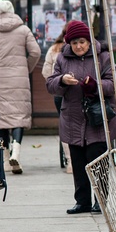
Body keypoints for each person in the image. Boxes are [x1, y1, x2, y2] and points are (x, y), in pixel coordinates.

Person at [46, 21, 116, 215]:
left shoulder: (103, 57)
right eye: (75, 43)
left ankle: (101, 201)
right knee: (79, 164)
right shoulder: (62, 58)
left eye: (82, 42)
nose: (78, 46)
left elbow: (115, 83)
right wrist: (62, 80)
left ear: (88, 41)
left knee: (98, 163)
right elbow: (51, 84)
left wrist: (95, 85)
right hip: (73, 117)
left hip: (97, 118)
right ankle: (83, 201)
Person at [0, 0, 41, 175]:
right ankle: (17, 151)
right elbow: (35, 52)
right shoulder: (23, 30)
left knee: (3, 120)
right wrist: (26, 67)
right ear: (13, 11)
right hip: (19, 78)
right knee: (19, 118)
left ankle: (6, 159)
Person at [43, 28, 73, 174]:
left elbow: (45, 72)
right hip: (78, 93)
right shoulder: (84, 48)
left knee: (65, 123)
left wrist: (55, 84)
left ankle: (70, 161)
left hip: (59, 94)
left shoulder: (54, 49)